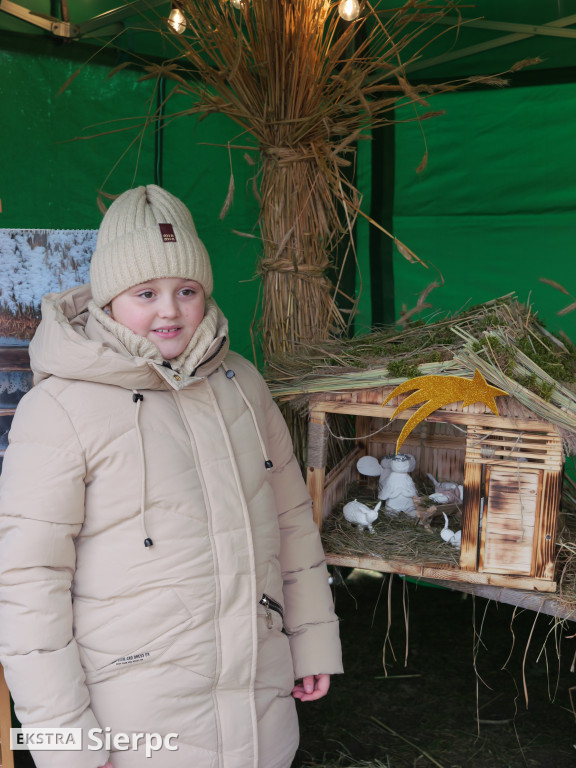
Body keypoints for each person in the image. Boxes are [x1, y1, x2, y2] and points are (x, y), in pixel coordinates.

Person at [0, 185, 343, 768]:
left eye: (187, 290)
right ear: (109, 298)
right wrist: (69, 747)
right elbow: (27, 585)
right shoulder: (58, 408)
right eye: (145, 292)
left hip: (259, 701)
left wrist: (312, 641)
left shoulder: (242, 384)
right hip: (134, 720)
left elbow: (291, 523)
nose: (169, 310)